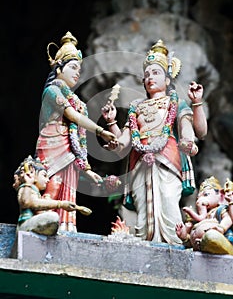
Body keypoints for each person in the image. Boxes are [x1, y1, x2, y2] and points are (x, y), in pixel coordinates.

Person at [102, 39, 207, 244]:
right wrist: (111, 123)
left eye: (156, 73)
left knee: (168, 200)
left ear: (168, 80)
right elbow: (123, 142)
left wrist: (196, 105)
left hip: (167, 158)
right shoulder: (136, 107)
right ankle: (146, 243)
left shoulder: (175, 102)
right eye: (147, 74)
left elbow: (196, 130)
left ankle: (175, 243)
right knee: (144, 210)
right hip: (141, 161)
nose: (150, 78)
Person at [35, 31, 116, 233]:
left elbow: (78, 136)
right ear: (58, 68)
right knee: (53, 184)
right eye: (72, 67)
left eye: (79, 69)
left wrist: (87, 171)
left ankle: (63, 226)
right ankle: (40, 221)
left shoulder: (76, 99)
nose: (77, 73)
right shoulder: (53, 90)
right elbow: (71, 116)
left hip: (68, 148)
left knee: (67, 186)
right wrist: (100, 131)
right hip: (53, 142)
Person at [13, 156, 91, 236]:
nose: (47, 180)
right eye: (44, 175)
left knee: (52, 218)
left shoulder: (36, 192)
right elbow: (26, 202)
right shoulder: (26, 187)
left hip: (32, 224)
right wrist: (60, 204)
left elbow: (38, 209)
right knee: (53, 217)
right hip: (25, 225)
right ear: (32, 174)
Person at [175, 176, 233, 254]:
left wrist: (221, 228)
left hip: (216, 239)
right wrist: (185, 236)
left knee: (211, 236)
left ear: (221, 197)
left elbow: (229, 219)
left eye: (206, 195)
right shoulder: (205, 217)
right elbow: (191, 242)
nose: (199, 200)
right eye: (198, 198)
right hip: (201, 247)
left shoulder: (221, 210)